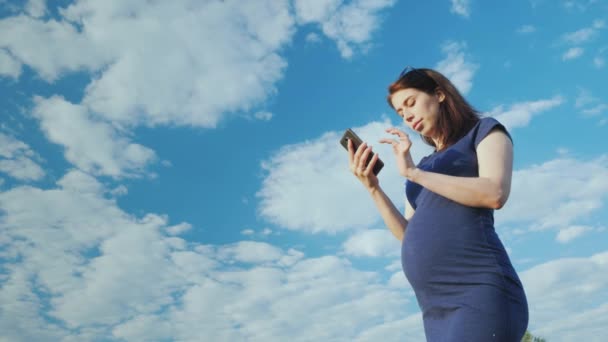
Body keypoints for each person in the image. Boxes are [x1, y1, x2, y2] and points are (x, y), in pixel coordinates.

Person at [347, 67, 528, 341]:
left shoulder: (484, 130)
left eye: (410, 103)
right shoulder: (424, 165)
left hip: (479, 292)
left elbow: (495, 192)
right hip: (435, 310)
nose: (407, 115)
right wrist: (373, 188)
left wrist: (413, 174)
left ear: (440, 94)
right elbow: (408, 235)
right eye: (400, 112)